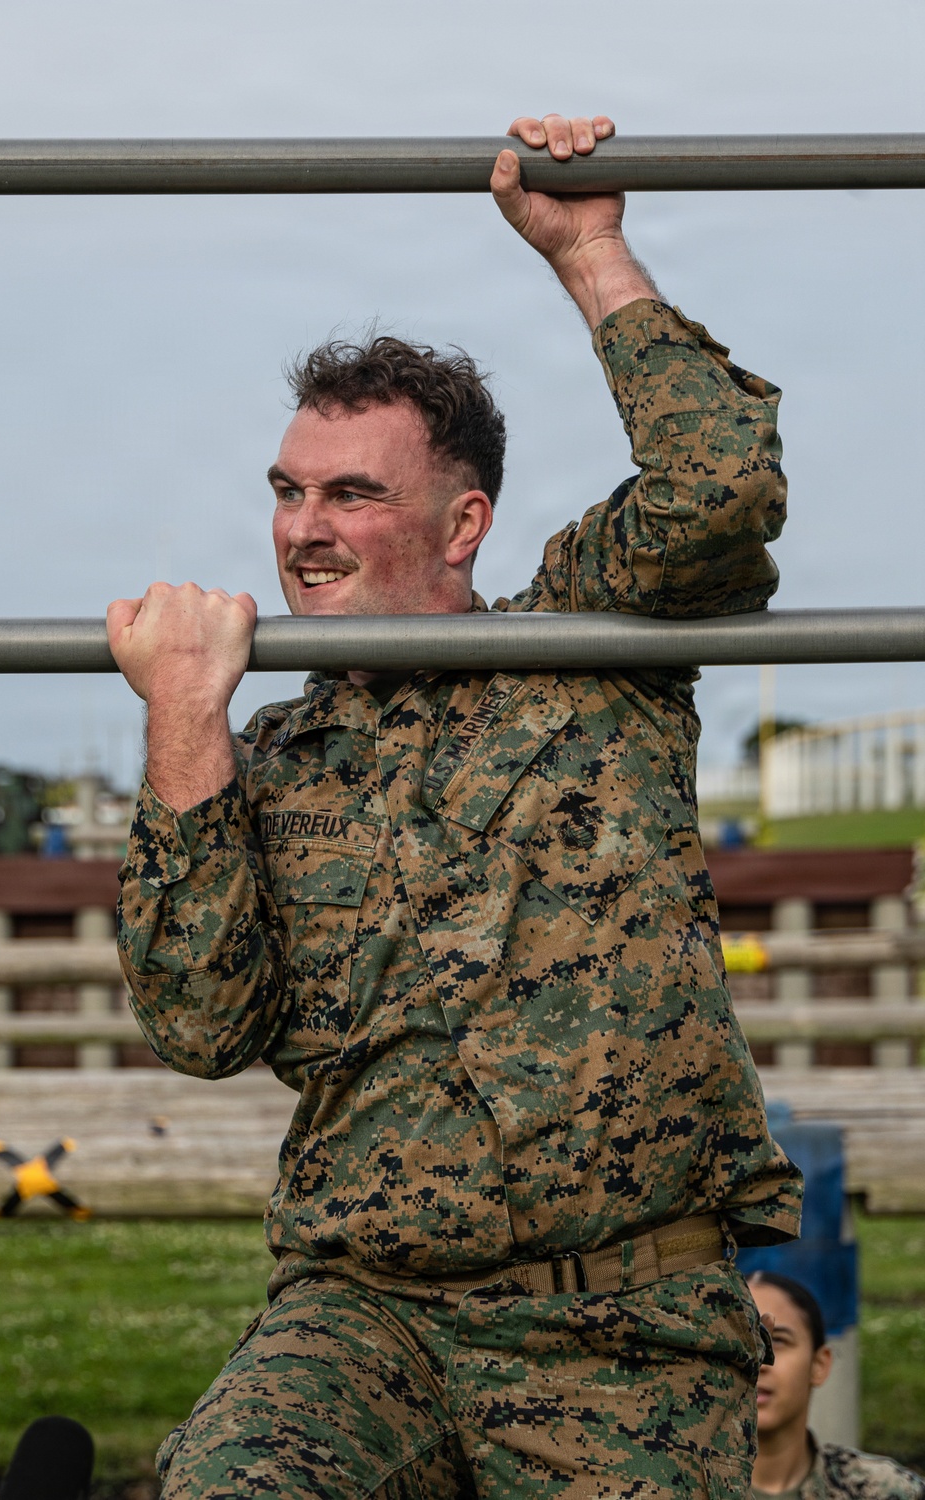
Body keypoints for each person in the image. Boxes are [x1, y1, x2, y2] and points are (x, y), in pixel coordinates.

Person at [109, 112, 803, 1499]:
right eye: (289, 492)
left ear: (463, 523)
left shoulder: (585, 646)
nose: (303, 530)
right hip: (367, 1314)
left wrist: (590, 251)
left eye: (353, 494)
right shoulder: (276, 754)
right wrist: (184, 719)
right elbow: (196, 1024)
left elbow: (719, 490)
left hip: (625, 1326)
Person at [748, 1272, 924, 1499]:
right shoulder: (691, 1488)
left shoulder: (885, 1491)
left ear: (819, 1364)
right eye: (740, 1343)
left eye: (778, 1340)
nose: (758, 1361)